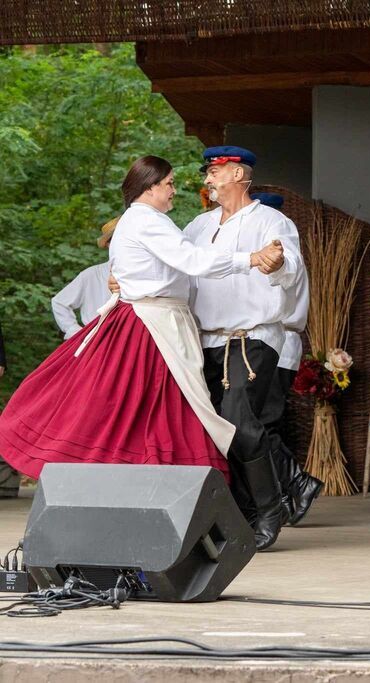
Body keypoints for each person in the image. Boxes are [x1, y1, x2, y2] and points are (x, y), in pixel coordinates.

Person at [0, 155, 282, 486]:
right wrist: (250, 258)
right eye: (169, 183)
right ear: (149, 188)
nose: (174, 190)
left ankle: (158, 483)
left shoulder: (144, 220)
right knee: (156, 408)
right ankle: (164, 482)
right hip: (152, 324)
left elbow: (178, 267)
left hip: (154, 318)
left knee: (146, 409)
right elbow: (191, 259)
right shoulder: (147, 220)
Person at [184, 147, 304, 551]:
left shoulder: (271, 220)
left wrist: (277, 264)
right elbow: (175, 268)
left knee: (238, 419)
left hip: (253, 336)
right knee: (213, 429)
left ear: (237, 173)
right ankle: (242, 512)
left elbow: (292, 268)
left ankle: (271, 510)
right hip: (206, 339)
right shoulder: (198, 226)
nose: (207, 181)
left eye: (213, 173)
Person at [249, 192, 324, 527]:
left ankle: (296, 482)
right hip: (277, 343)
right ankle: (288, 485)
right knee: (260, 422)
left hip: (276, 342)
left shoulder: (280, 257)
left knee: (259, 422)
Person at [51, 218, 120, 340]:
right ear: (109, 244)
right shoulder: (91, 275)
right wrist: (77, 334)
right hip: (95, 342)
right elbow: (59, 302)